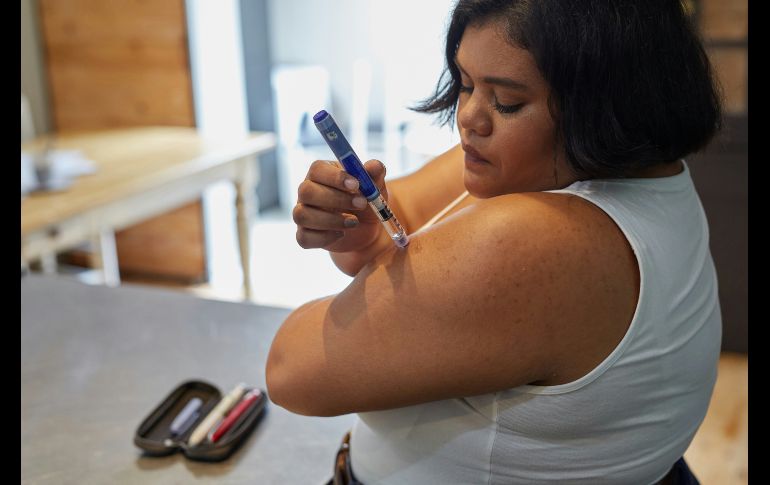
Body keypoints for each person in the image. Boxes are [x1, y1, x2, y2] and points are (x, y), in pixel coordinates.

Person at [266, 0, 723, 483]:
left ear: (606, 102)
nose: (468, 117)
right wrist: (356, 233)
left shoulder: (535, 242)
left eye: (506, 101)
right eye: (464, 84)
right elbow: (397, 219)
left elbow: (291, 368)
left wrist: (399, 283)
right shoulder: (632, 174)